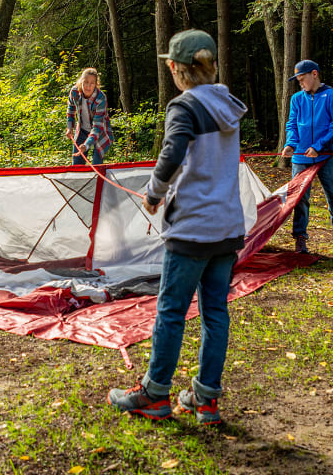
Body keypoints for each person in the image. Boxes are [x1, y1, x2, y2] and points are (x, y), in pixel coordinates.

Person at [107, 30, 247, 425]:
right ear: (213, 65)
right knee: (215, 313)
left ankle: (154, 394)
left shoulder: (184, 106)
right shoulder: (227, 103)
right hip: (226, 227)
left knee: (170, 312)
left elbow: (173, 152)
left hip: (191, 229)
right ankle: (205, 400)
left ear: (176, 69)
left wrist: (153, 193)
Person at [282, 60, 333, 254]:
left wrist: (318, 147)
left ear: (314, 74)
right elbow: (292, 124)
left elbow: (332, 126)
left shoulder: (330, 95)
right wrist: (290, 144)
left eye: (302, 79)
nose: (301, 84)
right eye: (298, 81)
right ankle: (300, 239)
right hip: (301, 158)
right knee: (300, 199)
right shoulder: (296, 98)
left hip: (326, 156)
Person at [65, 67, 113, 165]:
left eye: (92, 83)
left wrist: (86, 145)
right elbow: (71, 109)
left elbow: (97, 128)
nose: (88, 86)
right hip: (82, 130)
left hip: (99, 133)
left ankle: (98, 180)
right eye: (85, 82)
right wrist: (70, 128)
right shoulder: (74, 92)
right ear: (80, 82)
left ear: (96, 85)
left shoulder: (101, 98)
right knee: (77, 165)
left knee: (97, 163)